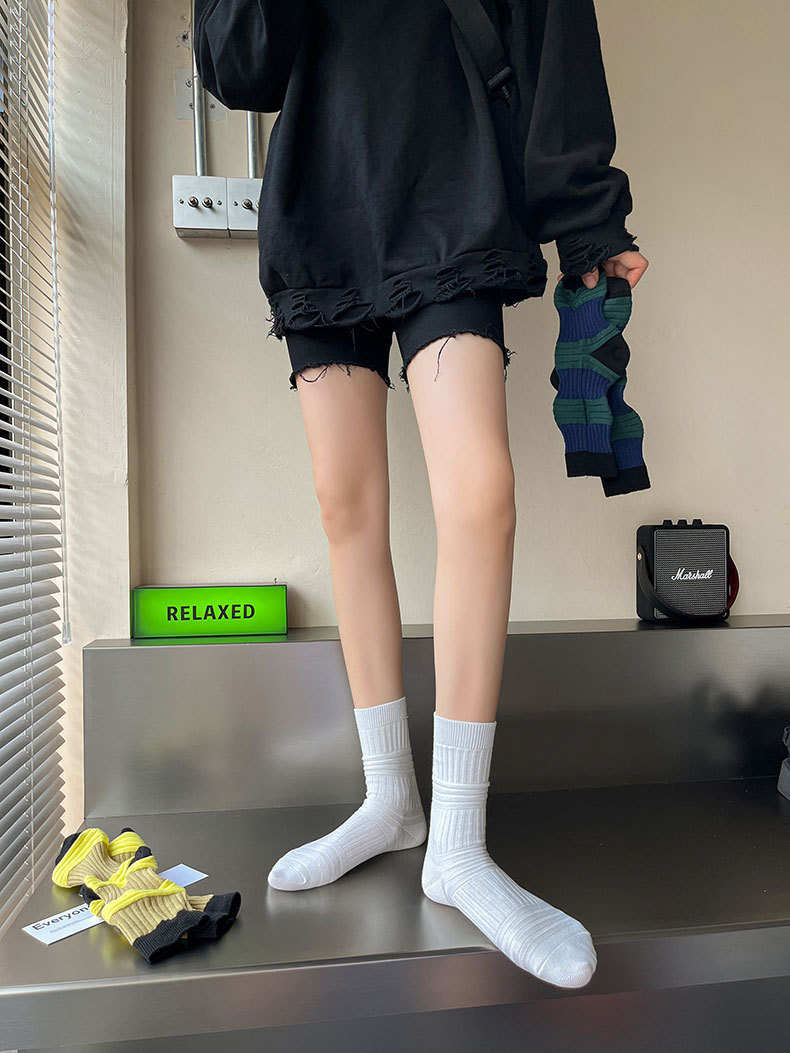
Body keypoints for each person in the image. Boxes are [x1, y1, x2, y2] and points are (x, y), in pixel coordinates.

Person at [194, 0, 649, 989]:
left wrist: (589, 219)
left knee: (479, 491)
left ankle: (459, 840)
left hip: (452, 192)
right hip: (318, 205)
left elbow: (554, 37)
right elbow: (236, 67)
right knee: (344, 505)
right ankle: (389, 799)